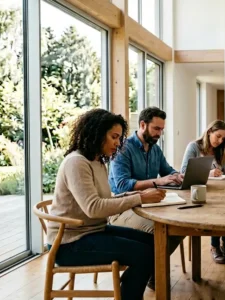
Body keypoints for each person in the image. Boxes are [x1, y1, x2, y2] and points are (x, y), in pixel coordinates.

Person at [47, 109, 166, 299]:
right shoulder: (77, 162)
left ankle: (128, 289)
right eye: (114, 137)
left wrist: (138, 193)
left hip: (93, 231)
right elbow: (94, 208)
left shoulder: (97, 161)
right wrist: (140, 198)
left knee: (154, 243)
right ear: (97, 132)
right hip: (69, 244)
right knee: (144, 254)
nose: (118, 143)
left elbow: (106, 199)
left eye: (119, 138)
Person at [107, 107, 184, 289]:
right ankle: (146, 273)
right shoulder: (123, 148)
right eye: (156, 129)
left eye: (161, 130)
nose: (159, 134)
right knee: (164, 229)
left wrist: (178, 176)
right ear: (143, 125)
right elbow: (122, 185)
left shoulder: (155, 149)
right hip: (122, 209)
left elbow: (168, 171)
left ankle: (151, 272)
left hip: (148, 205)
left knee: (180, 226)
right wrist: (157, 182)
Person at [180, 120, 225, 264]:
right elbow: (183, 172)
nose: (220, 141)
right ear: (209, 132)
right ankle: (215, 246)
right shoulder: (194, 147)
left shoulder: (220, 150)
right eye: (218, 136)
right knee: (219, 209)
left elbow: (221, 172)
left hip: (217, 190)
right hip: (198, 191)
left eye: (223, 138)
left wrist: (221, 173)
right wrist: (209, 173)